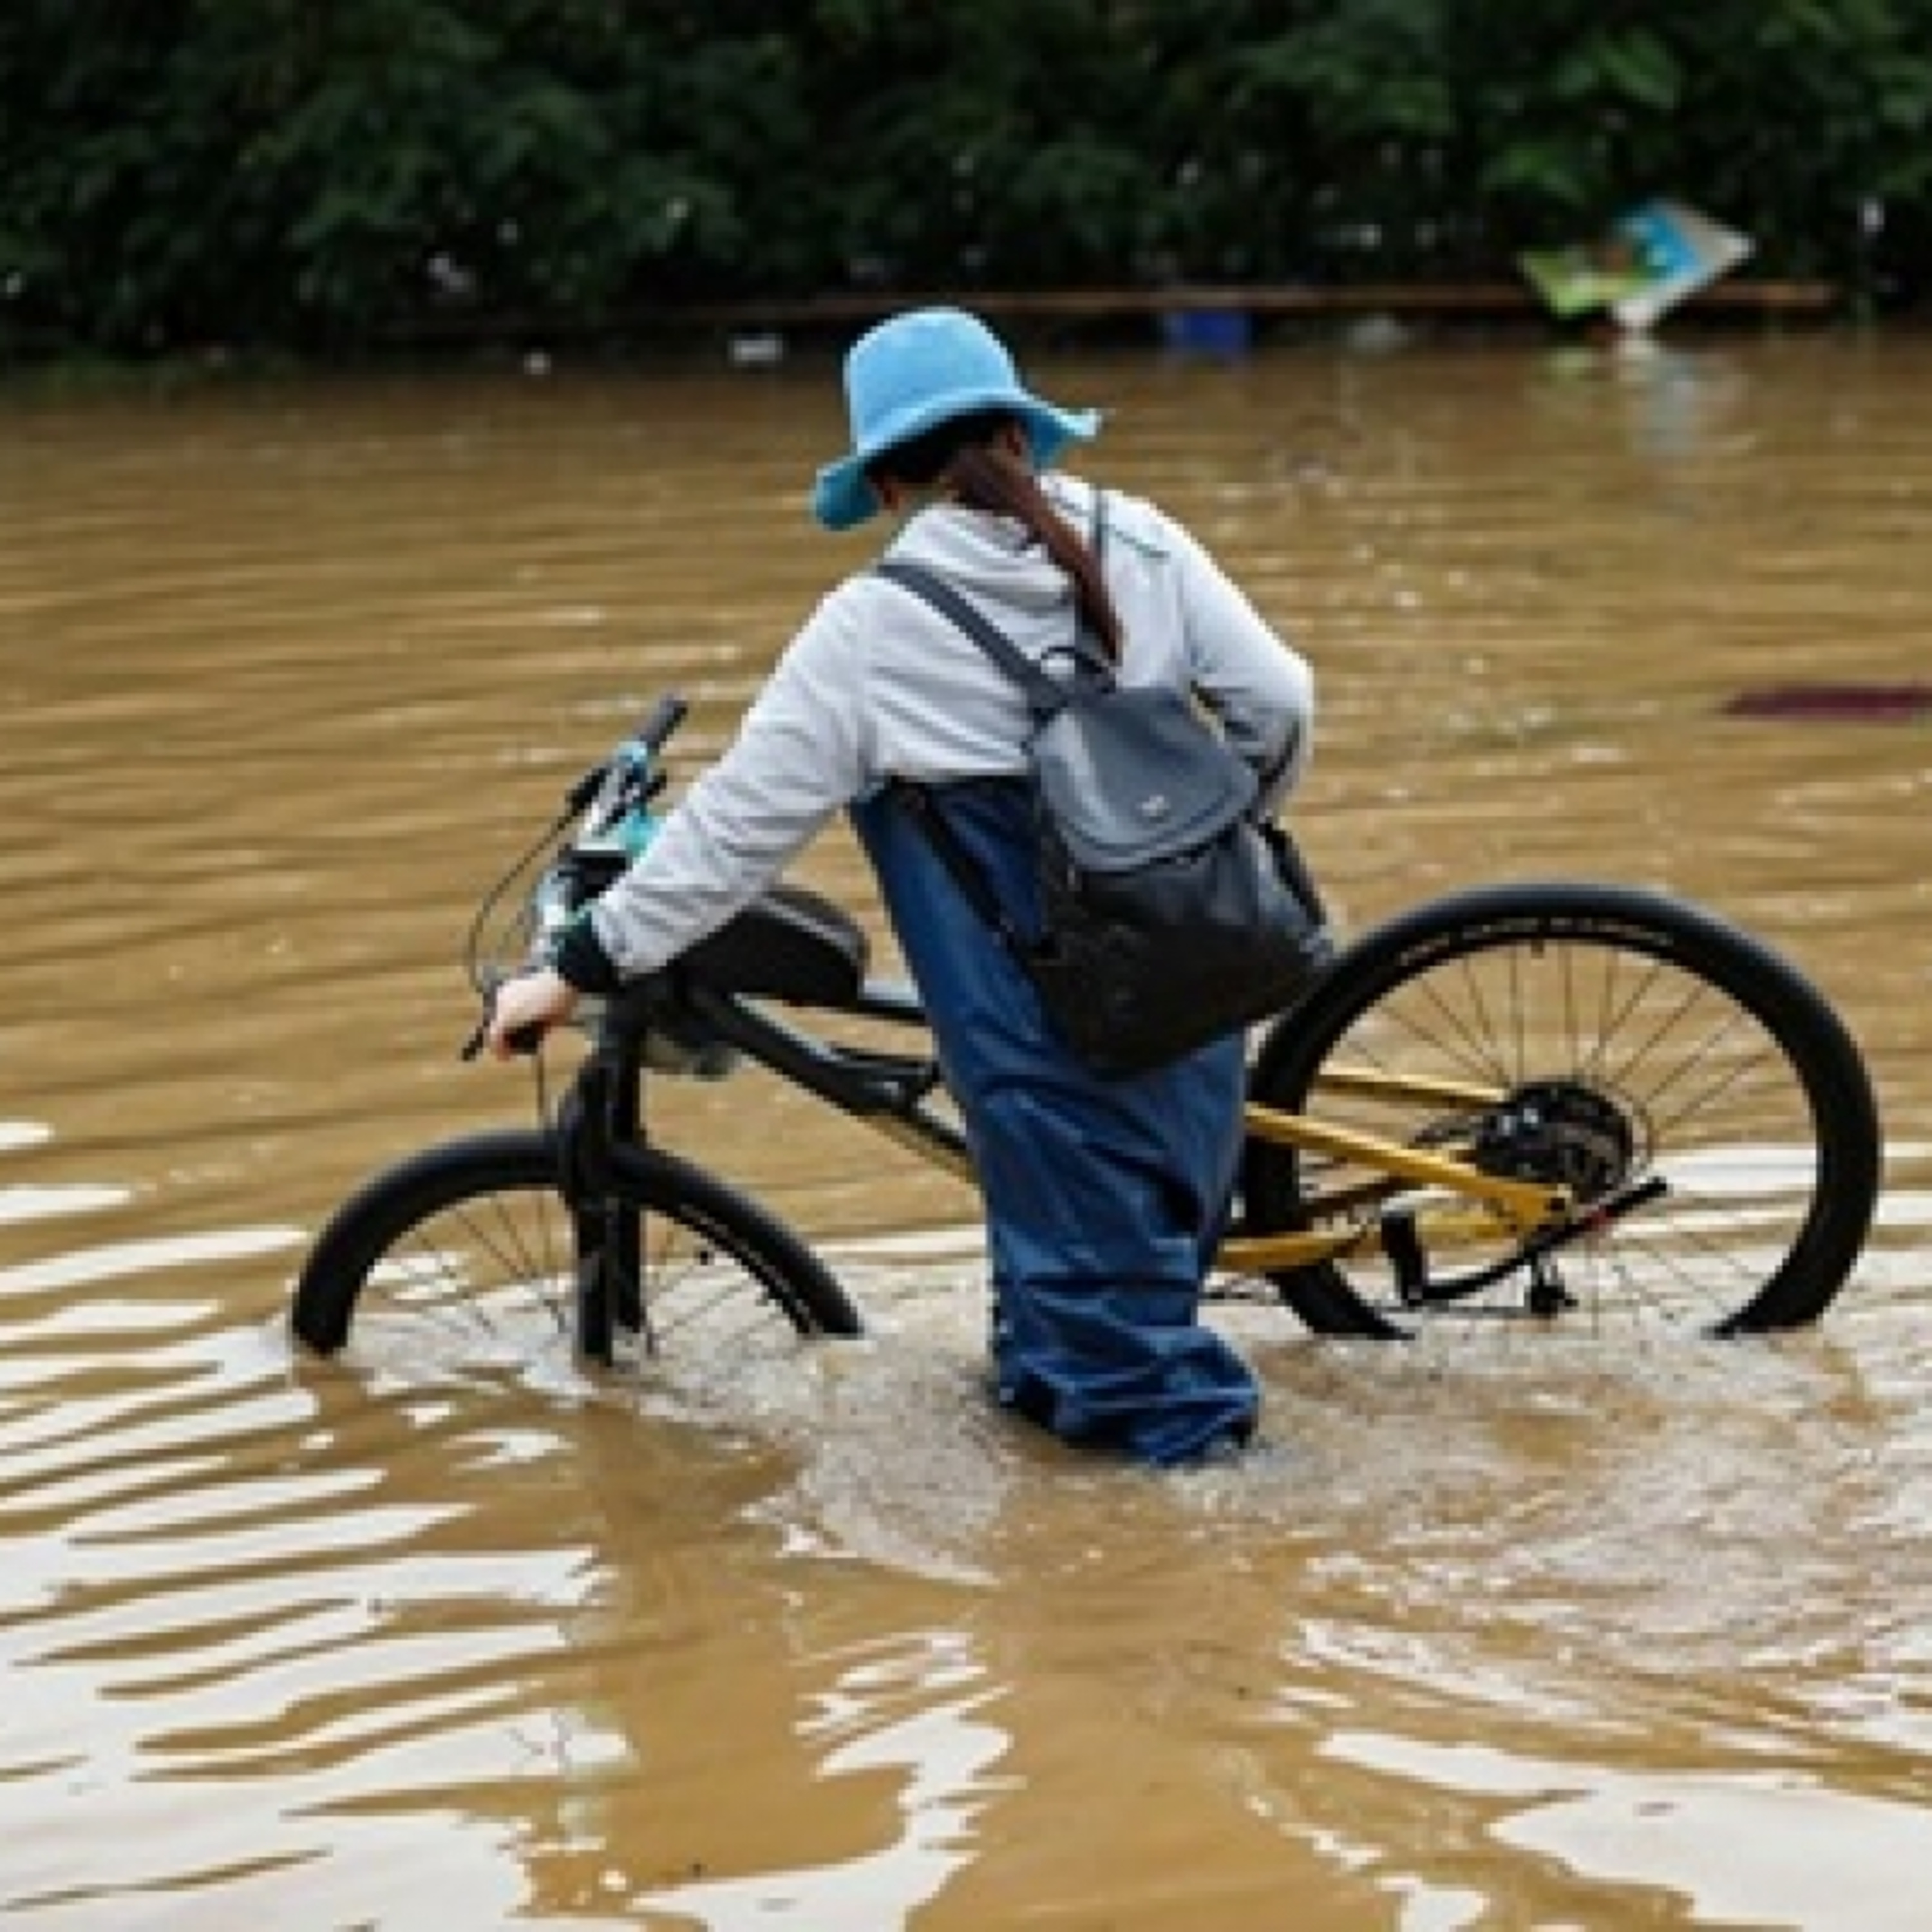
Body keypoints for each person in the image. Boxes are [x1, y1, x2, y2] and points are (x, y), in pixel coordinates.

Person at [487, 306, 1316, 1467]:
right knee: (1087, 1316)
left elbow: (736, 831)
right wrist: (1212, 842)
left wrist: (576, 965)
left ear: (883, 484)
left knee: (1137, 1383)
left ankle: (1225, 1600)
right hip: (1192, 984)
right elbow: (1281, 705)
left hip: (1040, 1028)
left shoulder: (871, 631)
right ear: (1025, 434)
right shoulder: (1143, 540)